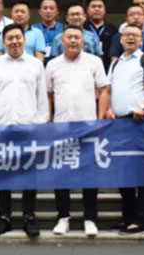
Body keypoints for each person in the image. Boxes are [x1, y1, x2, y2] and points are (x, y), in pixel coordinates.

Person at [0, 24, 49, 237]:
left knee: (30, 174)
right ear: (4, 42)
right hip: (2, 126)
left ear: (24, 40)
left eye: (18, 37)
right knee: (3, 174)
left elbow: (42, 97)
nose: (14, 42)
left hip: (29, 126)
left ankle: (29, 216)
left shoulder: (36, 65)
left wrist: (40, 123)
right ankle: (4, 216)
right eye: (10, 38)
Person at [103, 23, 144, 235]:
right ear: (120, 39)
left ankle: (141, 220)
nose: (130, 38)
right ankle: (128, 218)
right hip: (119, 124)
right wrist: (108, 109)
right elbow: (108, 90)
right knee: (123, 174)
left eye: (135, 35)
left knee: (141, 174)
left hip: (140, 123)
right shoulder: (115, 64)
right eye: (127, 35)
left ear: (141, 40)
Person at [46, 25, 109, 238]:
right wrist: (49, 120)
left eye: (77, 37)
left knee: (89, 174)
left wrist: (100, 119)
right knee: (61, 174)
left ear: (83, 41)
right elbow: (48, 95)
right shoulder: (52, 64)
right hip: (61, 126)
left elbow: (103, 90)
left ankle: (90, 218)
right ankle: (63, 216)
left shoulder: (94, 62)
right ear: (62, 41)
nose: (73, 41)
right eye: (69, 37)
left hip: (88, 126)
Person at [84, 0, 118, 70]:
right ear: (87, 10)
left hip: (107, 67)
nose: (97, 9)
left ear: (104, 10)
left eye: (100, 7)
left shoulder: (112, 29)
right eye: (93, 7)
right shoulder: (83, 27)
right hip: (86, 67)